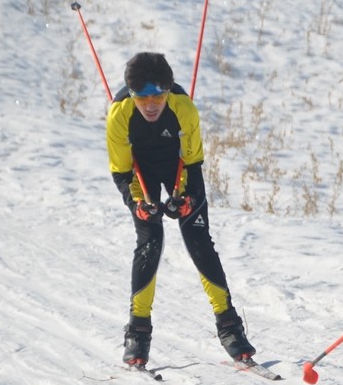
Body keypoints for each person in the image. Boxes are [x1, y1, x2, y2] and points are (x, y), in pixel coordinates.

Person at [106, 51, 255, 367]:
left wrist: (184, 197)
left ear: (167, 89)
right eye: (142, 96)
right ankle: (137, 333)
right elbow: (121, 172)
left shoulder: (184, 109)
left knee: (199, 242)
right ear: (131, 94)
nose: (151, 104)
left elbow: (193, 162)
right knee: (150, 243)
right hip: (140, 171)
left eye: (158, 94)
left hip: (179, 167)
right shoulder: (119, 116)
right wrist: (138, 204)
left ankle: (230, 328)